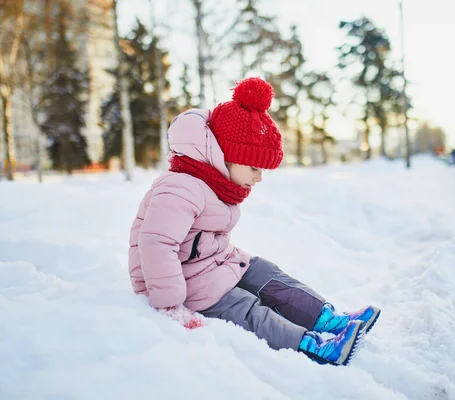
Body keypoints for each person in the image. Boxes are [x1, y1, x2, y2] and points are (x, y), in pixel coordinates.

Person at [128, 77, 380, 366]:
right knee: (246, 307)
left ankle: (329, 321)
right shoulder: (181, 187)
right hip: (181, 282)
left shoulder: (214, 182)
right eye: (254, 168)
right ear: (226, 157)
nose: (259, 177)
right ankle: (312, 346)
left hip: (212, 264)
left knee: (265, 274)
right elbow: (156, 244)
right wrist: (171, 304)